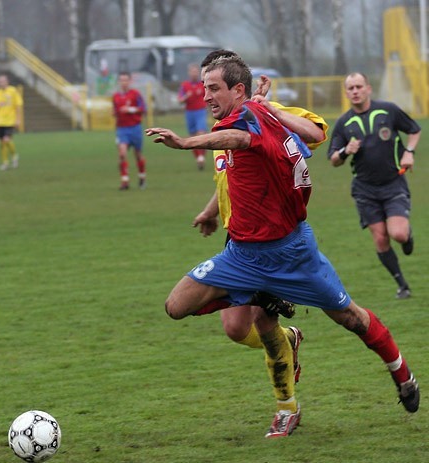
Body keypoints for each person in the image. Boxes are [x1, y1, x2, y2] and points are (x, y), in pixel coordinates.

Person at [146, 55, 420, 438]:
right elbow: (233, 170)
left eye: (213, 88)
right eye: (204, 87)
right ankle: (273, 319)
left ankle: (401, 375)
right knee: (180, 307)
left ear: (238, 90)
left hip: (291, 251)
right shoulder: (235, 116)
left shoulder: (253, 119)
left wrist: (191, 140)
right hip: (241, 250)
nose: (205, 96)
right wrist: (211, 211)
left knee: (350, 318)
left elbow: (303, 133)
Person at [327, 72, 421, 299]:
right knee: (380, 239)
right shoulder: (343, 123)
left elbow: (414, 130)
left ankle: (407, 237)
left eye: (359, 86)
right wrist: (344, 151)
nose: (355, 91)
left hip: (393, 183)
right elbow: (333, 160)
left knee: (397, 234)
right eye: (350, 88)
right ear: (346, 92)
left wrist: (409, 153)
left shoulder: (388, 110)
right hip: (365, 189)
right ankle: (402, 285)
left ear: (368, 88)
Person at [112, 71, 147, 190]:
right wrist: (115, 113)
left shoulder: (135, 94)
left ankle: (142, 177)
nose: (124, 82)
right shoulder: (115, 96)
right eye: (121, 80)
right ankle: (124, 181)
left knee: (137, 155)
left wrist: (130, 109)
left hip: (135, 128)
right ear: (119, 82)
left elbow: (143, 108)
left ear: (130, 81)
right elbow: (115, 111)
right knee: (122, 154)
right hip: (122, 129)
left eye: (126, 80)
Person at [178, 63, 208, 170]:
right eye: (192, 71)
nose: (194, 74)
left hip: (200, 112)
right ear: (189, 73)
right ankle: (198, 157)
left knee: (201, 133)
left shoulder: (202, 84)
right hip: (189, 113)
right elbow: (180, 100)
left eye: (196, 72)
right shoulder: (185, 85)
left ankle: (201, 157)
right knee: (192, 137)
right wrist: (186, 96)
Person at [0, 74, 23, 170]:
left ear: (7, 81)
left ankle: (14, 155)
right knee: (2, 142)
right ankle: (5, 162)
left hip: (10, 120)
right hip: (0, 121)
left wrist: (18, 119)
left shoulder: (13, 91)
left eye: (3, 81)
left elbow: (18, 106)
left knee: (6, 139)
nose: (1, 83)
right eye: (0, 81)